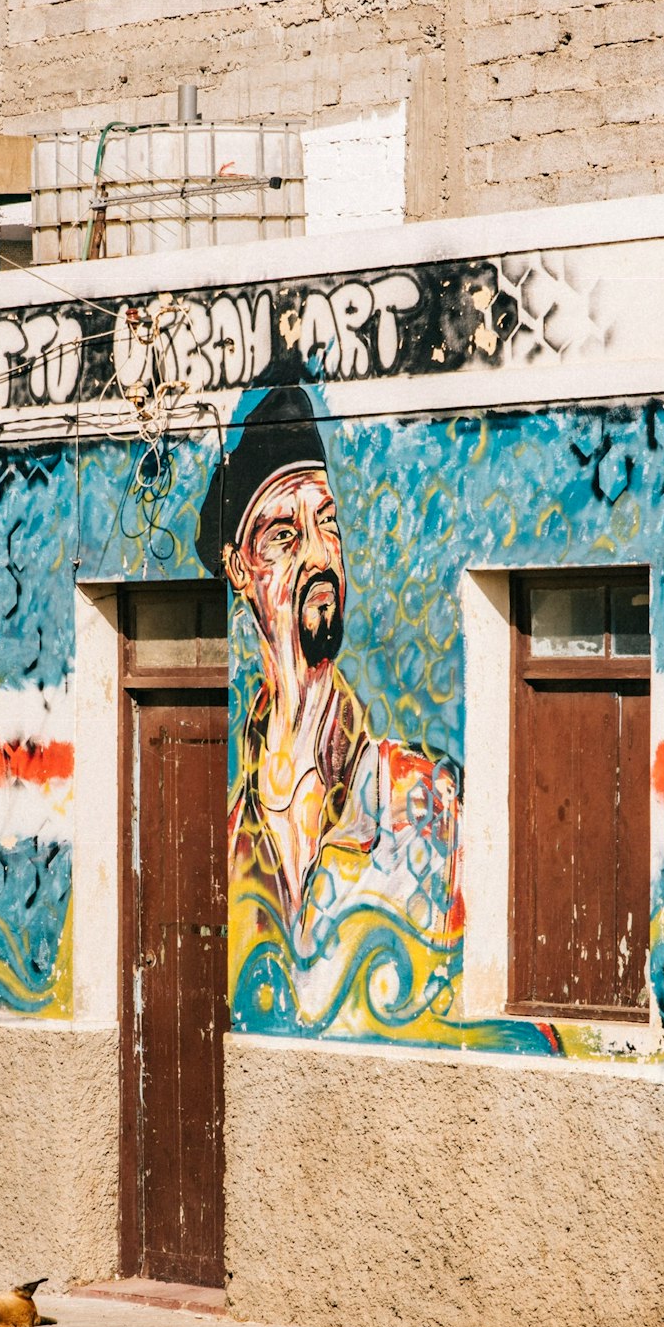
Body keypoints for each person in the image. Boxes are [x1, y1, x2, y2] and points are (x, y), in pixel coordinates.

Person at [208, 385, 463, 1042]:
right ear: (241, 568)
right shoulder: (229, 820)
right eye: (286, 534)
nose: (319, 555)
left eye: (329, 525)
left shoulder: (419, 796)